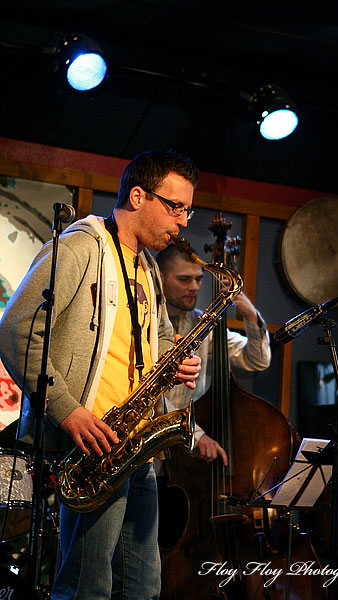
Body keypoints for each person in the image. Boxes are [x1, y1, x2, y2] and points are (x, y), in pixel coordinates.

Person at [0, 149, 202, 600]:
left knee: (143, 588)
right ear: (137, 195)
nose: (184, 220)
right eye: (176, 207)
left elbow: (162, 337)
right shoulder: (79, 247)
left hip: (135, 449)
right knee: (87, 587)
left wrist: (177, 358)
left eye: (189, 209)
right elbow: (16, 330)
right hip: (93, 447)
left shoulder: (148, 266)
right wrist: (67, 411)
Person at [156, 242, 271, 466]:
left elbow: (257, 360)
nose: (194, 287)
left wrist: (249, 313)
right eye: (183, 279)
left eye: (198, 279)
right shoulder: (146, 322)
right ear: (160, 277)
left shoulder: (204, 325)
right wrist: (196, 434)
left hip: (182, 457)